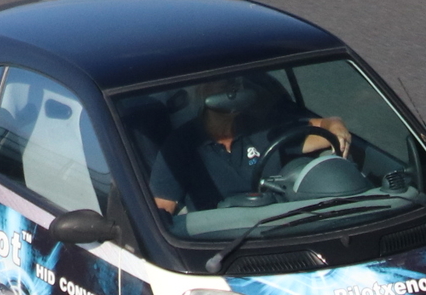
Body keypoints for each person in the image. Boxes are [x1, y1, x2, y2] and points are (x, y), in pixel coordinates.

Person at [148, 76, 354, 217]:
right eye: (222, 87)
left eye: (234, 86)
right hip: (219, 241)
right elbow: (162, 210)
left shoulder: (265, 127)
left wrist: (335, 125)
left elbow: (324, 127)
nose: (231, 92)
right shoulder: (180, 145)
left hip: (281, 225)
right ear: (203, 92)